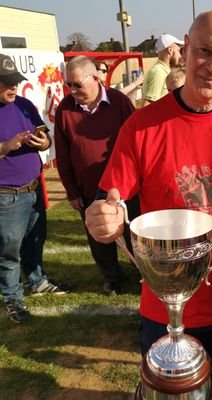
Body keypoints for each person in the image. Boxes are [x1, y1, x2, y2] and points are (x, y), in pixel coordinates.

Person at [85, 10, 212, 399]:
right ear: (185, 48)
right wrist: (103, 217)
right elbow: (108, 199)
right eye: (204, 51)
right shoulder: (142, 126)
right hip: (163, 305)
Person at [54, 56, 139, 296]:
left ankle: (144, 270)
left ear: (95, 78)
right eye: (68, 84)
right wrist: (71, 191)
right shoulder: (65, 109)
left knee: (135, 231)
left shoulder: (119, 102)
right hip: (88, 186)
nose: (72, 90)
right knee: (99, 236)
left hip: (125, 186)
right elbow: (63, 154)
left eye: (77, 84)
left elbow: (137, 140)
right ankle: (111, 278)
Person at [0, 53, 71, 323]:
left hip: (32, 189)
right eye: (6, 83)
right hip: (6, 195)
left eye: (15, 81)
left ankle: (37, 281)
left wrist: (43, 143)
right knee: (8, 250)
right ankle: (13, 298)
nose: (13, 87)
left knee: (35, 239)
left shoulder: (24, 104)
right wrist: (6, 147)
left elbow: (45, 136)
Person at [141, 33, 183, 106]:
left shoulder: (163, 71)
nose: (180, 55)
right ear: (170, 50)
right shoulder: (158, 72)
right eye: (178, 51)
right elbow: (146, 106)